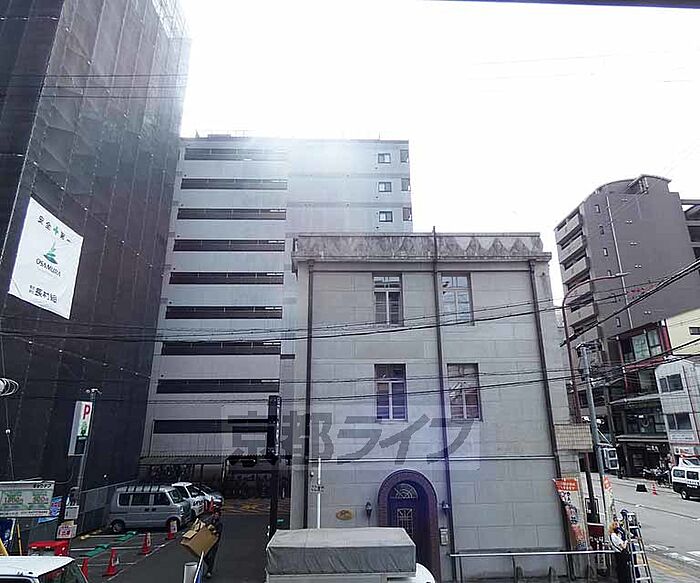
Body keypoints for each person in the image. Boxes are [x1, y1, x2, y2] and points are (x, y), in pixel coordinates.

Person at [203, 509, 223, 579]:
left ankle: (209, 572)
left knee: (212, 557)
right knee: (205, 556)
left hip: (215, 543)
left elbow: (218, 532)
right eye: (215, 514)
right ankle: (210, 566)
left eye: (217, 514)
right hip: (209, 542)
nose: (216, 515)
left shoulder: (219, 523)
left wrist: (213, 531)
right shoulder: (211, 521)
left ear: (219, 516)